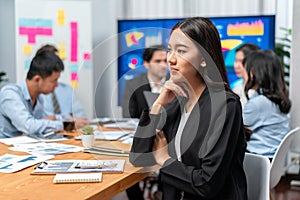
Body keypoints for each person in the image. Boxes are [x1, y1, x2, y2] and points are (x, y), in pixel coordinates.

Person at [129, 17, 247, 200]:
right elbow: (138, 157)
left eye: (181, 51)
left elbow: (206, 184)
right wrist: (157, 106)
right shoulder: (176, 103)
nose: (170, 59)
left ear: (204, 59)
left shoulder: (225, 106)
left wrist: (164, 159)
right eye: (169, 50)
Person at [0, 51, 64, 138]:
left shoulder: (39, 98)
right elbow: (28, 126)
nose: (56, 85)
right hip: (5, 148)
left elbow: (40, 127)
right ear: (37, 79)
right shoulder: (10, 93)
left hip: (26, 147)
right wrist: (65, 125)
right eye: (54, 80)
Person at [243, 50, 291, 159]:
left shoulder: (257, 104)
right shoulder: (279, 99)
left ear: (252, 73)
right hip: (271, 159)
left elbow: (235, 131)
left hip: (256, 160)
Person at [36, 44, 89, 129]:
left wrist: (54, 118)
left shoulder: (68, 90)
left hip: (71, 136)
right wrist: (68, 119)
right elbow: (39, 122)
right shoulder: (35, 93)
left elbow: (81, 119)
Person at [122, 44, 169, 118]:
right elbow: (128, 116)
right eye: (158, 61)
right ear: (146, 64)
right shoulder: (133, 84)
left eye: (165, 61)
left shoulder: (177, 83)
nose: (163, 65)